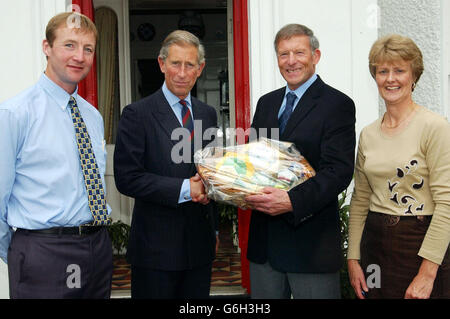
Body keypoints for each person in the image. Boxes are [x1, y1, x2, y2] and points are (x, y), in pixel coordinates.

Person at [0, 12, 113, 299]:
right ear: (46, 47)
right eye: (69, 45)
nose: (80, 56)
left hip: (96, 248)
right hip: (43, 254)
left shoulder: (92, 116)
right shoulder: (15, 114)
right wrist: (21, 252)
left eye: (88, 49)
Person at [245, 24, 356, 299]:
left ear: (315, 55)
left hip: (311, 246)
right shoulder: (266, 104)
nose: (291, 61)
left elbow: (338, 171)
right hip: (265, 248)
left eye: (299, 52)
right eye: (284, 54)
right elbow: (254, 159)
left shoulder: (337, 104)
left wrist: (292, 201)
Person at [113, 30, 219, 299]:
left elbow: (210, 173)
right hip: (155, 253)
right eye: (175, 63)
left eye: (190, 65)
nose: (182, 73)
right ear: (161, 64)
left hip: (200, 248)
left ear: (200, 69)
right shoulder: (137, 114)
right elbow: (127, 178)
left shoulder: (208, 115)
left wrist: (214, 228)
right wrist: (186, 188)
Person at [347, 34, 450, 299]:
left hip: (418, 246)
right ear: (375, 77)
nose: (390, 78)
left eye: (399, 70)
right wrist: (353, 259)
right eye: (383, 71)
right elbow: (360, 199)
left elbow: (447, 203)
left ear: (413, 76)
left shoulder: (434, 127)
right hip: (373, 245)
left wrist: (427, 274)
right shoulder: (368, 134)